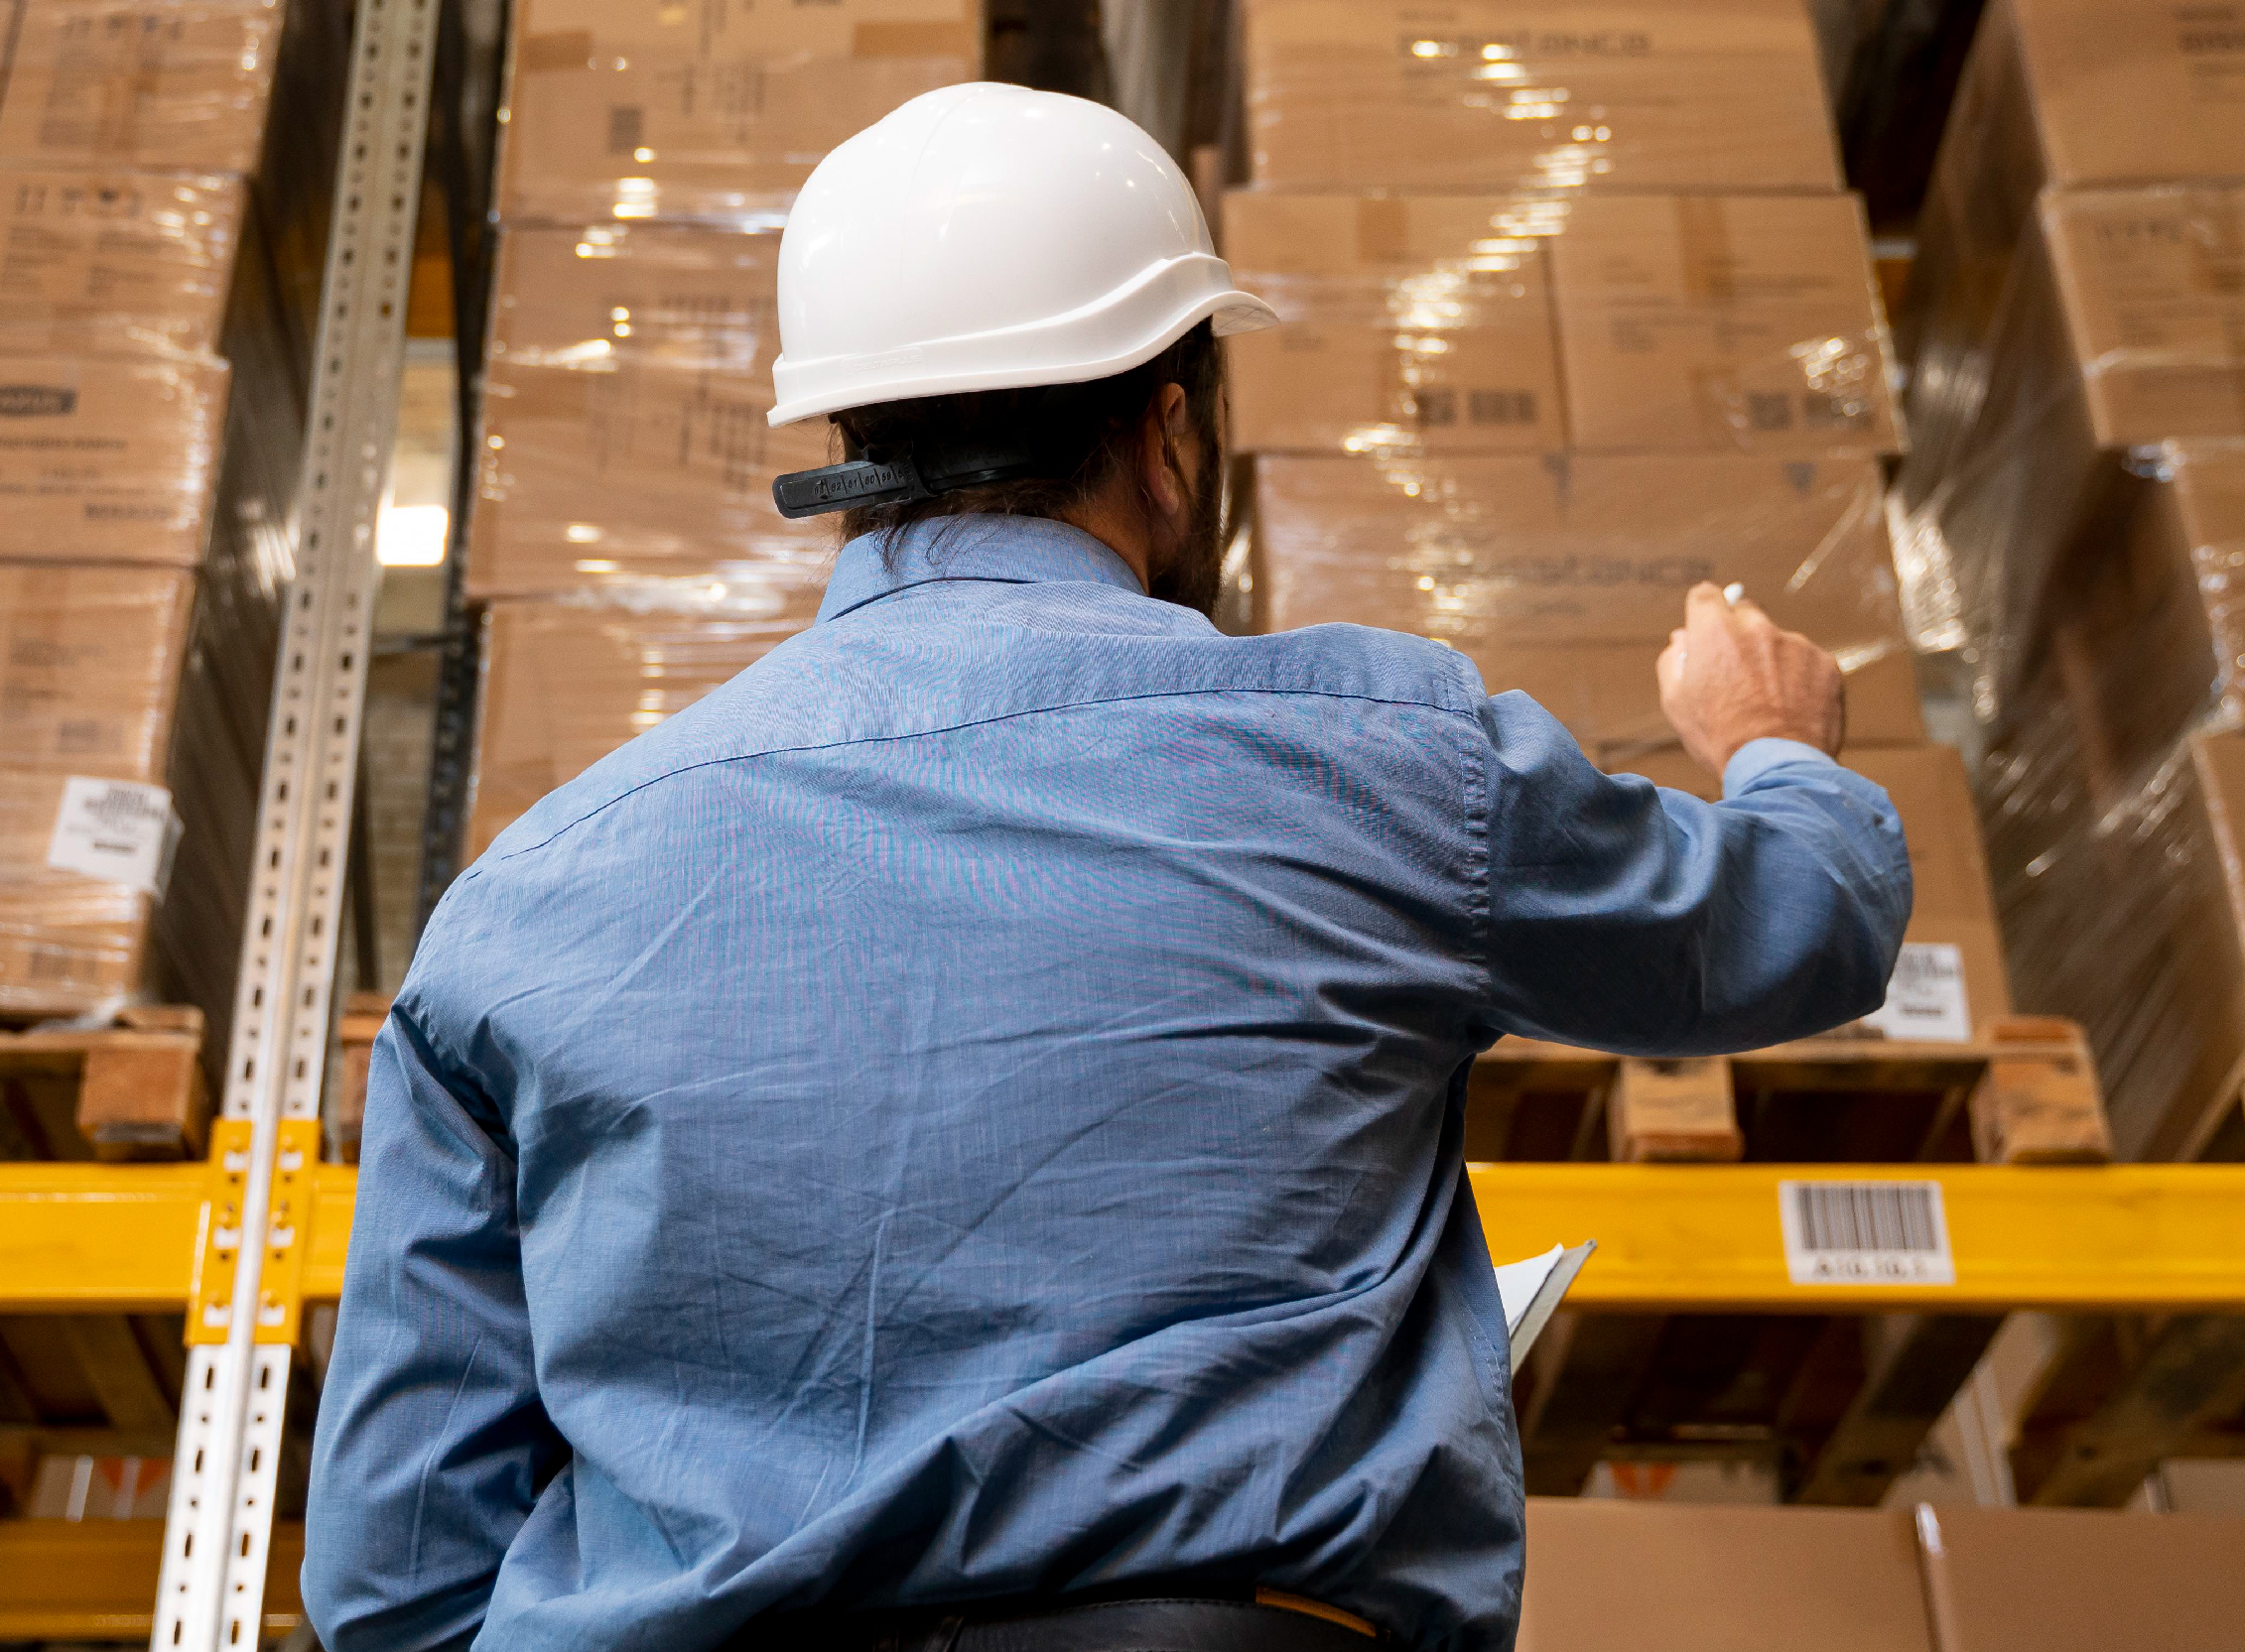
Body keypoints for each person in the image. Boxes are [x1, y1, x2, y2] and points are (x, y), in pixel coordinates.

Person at [308, 82, 1911, 1652]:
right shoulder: (1374, 756)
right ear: (1168, 437)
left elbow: (399, 1587)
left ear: (850, 446)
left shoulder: (520, 911)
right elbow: (1796, 930)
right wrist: (1775, 740)